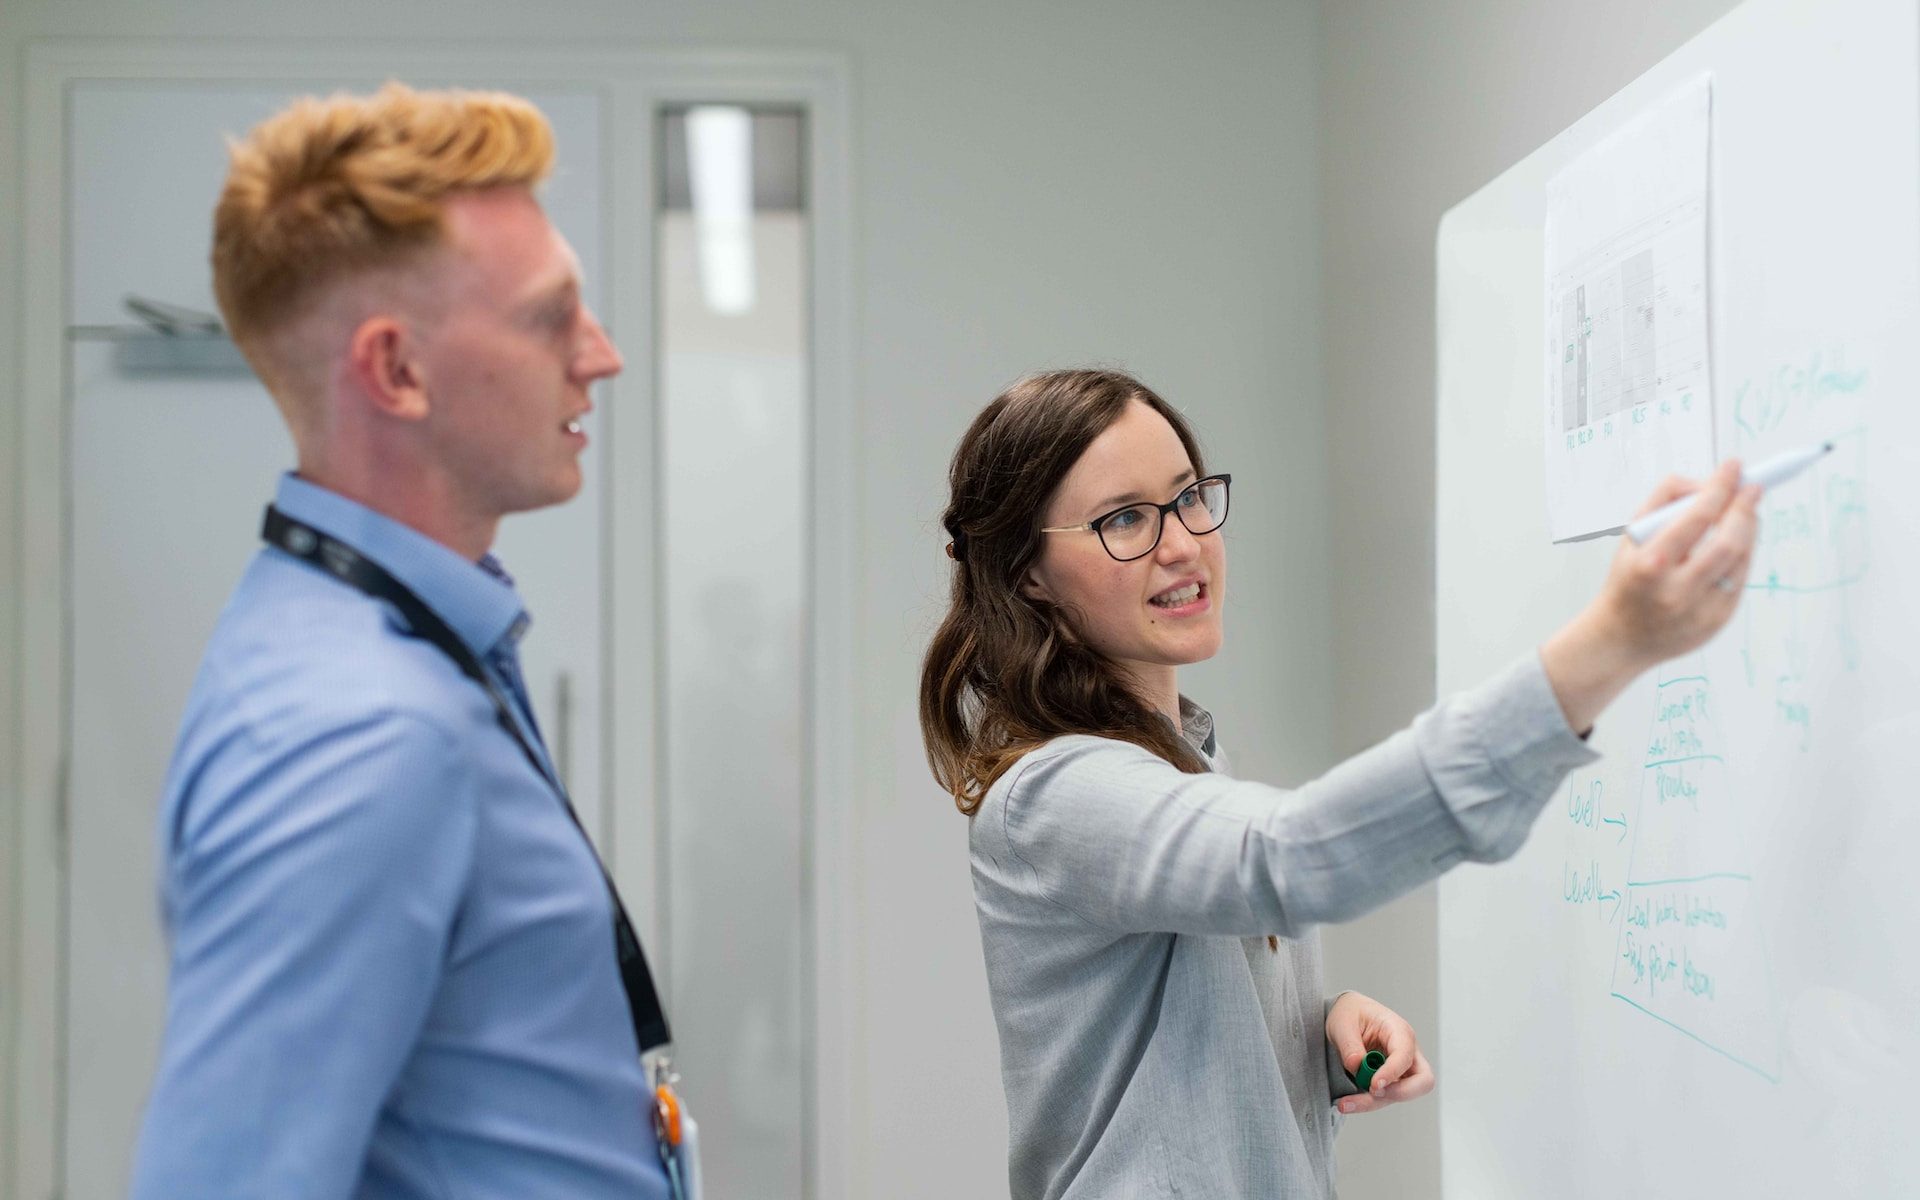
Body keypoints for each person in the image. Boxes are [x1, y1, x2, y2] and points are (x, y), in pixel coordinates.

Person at [918, 368, 1760, 1199]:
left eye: (1188, 497)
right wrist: (1608, 645)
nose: (1183, 542)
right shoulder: (1054, 795)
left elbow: (1161, 1061)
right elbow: (1282, 860)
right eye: (1125, 519)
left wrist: (1306, 1031)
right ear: (1028, 572)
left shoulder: (1184, 754)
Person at [131, 85, 679, 1198]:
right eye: (550, 316)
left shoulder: (393, 642)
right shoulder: (358, 732)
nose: (602, 355)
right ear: (396, 370)